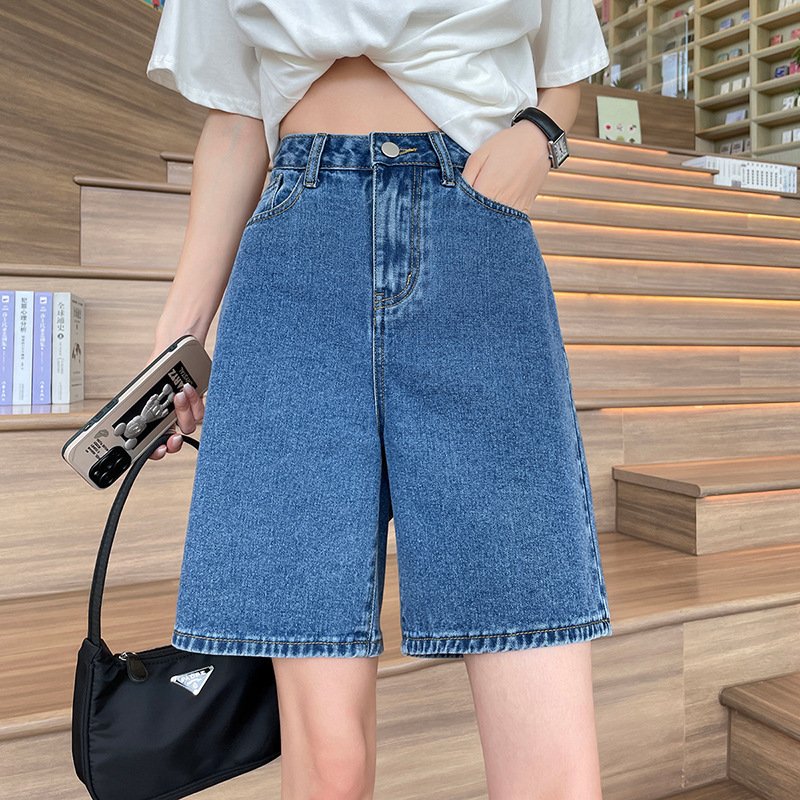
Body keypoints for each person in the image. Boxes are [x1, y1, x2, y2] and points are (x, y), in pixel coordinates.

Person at [144, 1, 613, 797]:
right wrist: (178, 336)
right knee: (327, 762)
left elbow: (565, 60)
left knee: (547, 745)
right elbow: (235, 115)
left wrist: (539, 136)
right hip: (295, 255)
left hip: (470, 227)